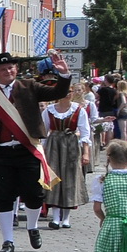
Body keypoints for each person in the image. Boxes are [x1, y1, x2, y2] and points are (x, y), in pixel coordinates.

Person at [0, 51, 73, 252]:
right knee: (3, 197)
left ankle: (32, 227)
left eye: (11, 67)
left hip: (27, 149)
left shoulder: (29, 86)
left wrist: (64, 75)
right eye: (3, 69)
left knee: (33, 194)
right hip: (1, 154)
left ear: (17, 69)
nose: (8, 71)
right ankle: (8, 240)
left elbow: (56, 93)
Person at [41, 85, 91, 229]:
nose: (67, 94)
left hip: (71, 145)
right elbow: (44, 132)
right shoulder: (49, 110)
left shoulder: (79, 110)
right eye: (65, 91)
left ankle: (66, 218)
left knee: (70, 179)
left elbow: (85, 132)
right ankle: (55, 217)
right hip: (53, 145)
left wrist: (86, 152)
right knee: (54, 178)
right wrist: (42, 151)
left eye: (69, 91)